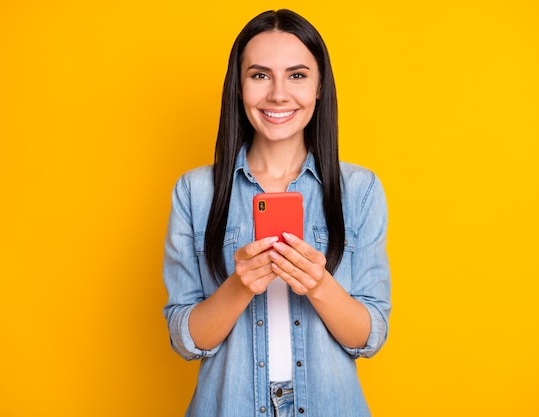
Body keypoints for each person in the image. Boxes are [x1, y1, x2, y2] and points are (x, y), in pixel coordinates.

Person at [163, 9, 391, 417]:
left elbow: (370, 336)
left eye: (298, 75)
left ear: (320, 87)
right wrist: (240, 286)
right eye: (260, 75)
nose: (279, 95)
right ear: (239, 86)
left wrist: (318, 284)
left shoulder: (360, 190)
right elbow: (185, 339)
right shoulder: (196, 192)